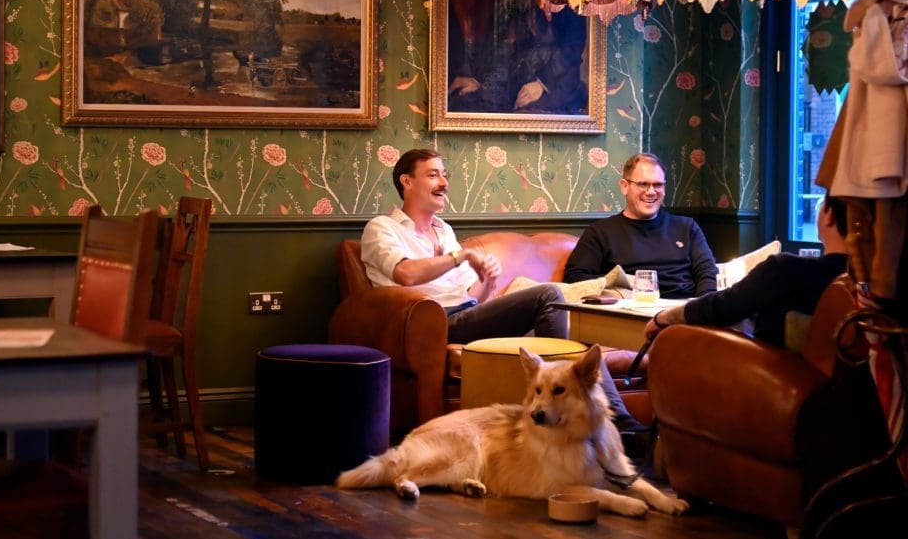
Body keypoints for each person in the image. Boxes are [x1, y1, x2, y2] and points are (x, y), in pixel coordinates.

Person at [360, 148, 647, 434]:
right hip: (431, 325)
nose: (444, 183)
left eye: (445, 175)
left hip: (465, 316)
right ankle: (607, 421)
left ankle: (616, 421)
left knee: (576, 327)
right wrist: (460, 256)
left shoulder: (443, 230)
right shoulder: (383, 228)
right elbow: (406, 273)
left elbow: (474, 299)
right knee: (548, 295)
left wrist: (488, 279)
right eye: (433, 175)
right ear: (407, 181)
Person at [644, 195, 850, 345]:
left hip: (769, 380)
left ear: (829, 216)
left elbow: (723, 307)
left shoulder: (785, 270)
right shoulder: (861, 281)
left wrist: (664, 318)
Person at [564, 152, 718, 297]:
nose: (651, 192)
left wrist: (704, 307)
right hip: (631, 309)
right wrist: (620, 282)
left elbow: (708, 273)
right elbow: (575, 278)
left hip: (685, 308)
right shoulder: (600, 232)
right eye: (643, 184)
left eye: (658, 185)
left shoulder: (687, 227)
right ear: (624, 186)